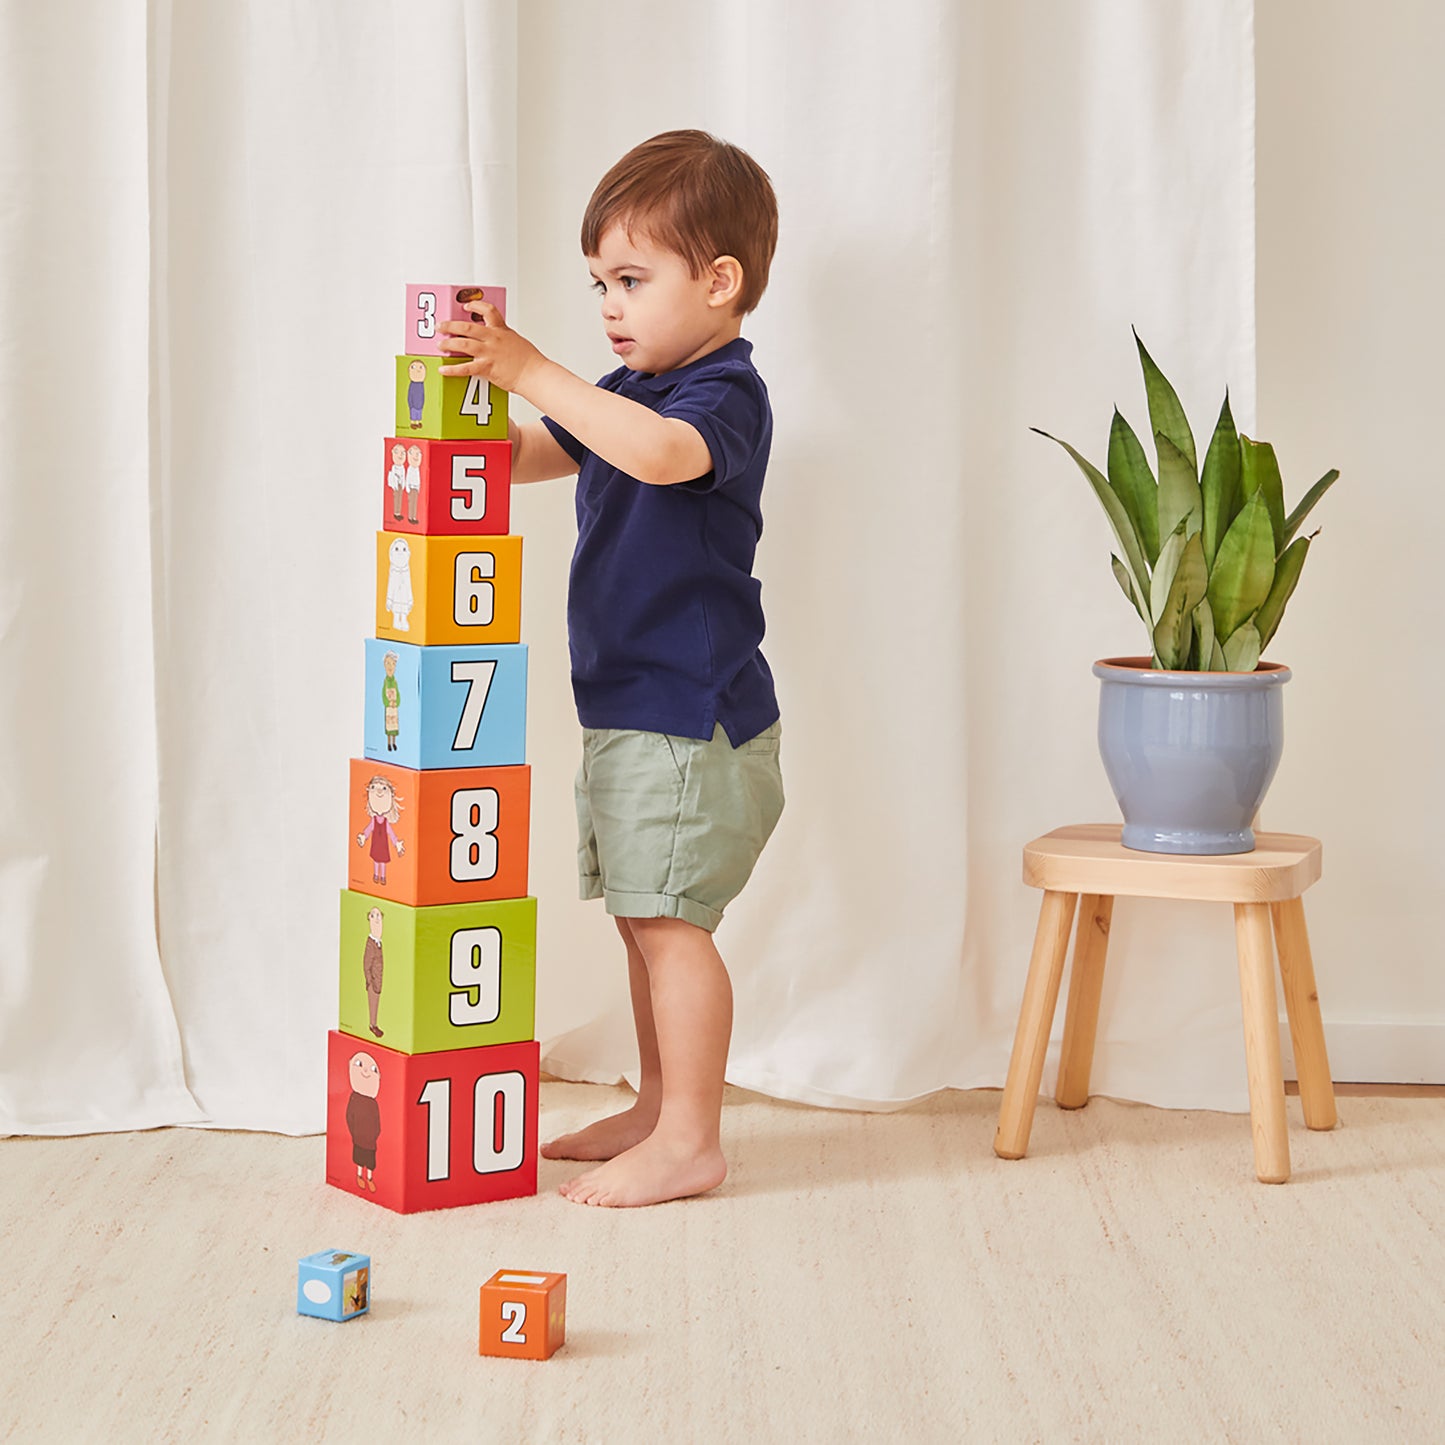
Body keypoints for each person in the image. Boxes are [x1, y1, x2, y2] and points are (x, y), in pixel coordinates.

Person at [437, 130, 783, 1208]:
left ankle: (692, 1136)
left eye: (631, 279)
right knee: (642, 914)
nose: (608, 306)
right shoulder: (628, 387)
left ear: (719, 283)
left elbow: (655, 454)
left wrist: (532, 367)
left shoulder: (717, 396)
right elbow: (552, 450)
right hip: (635, 708)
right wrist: (449, 430)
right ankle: (655, 1102)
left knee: (671, 923)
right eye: (598, 283)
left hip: (695, 715)